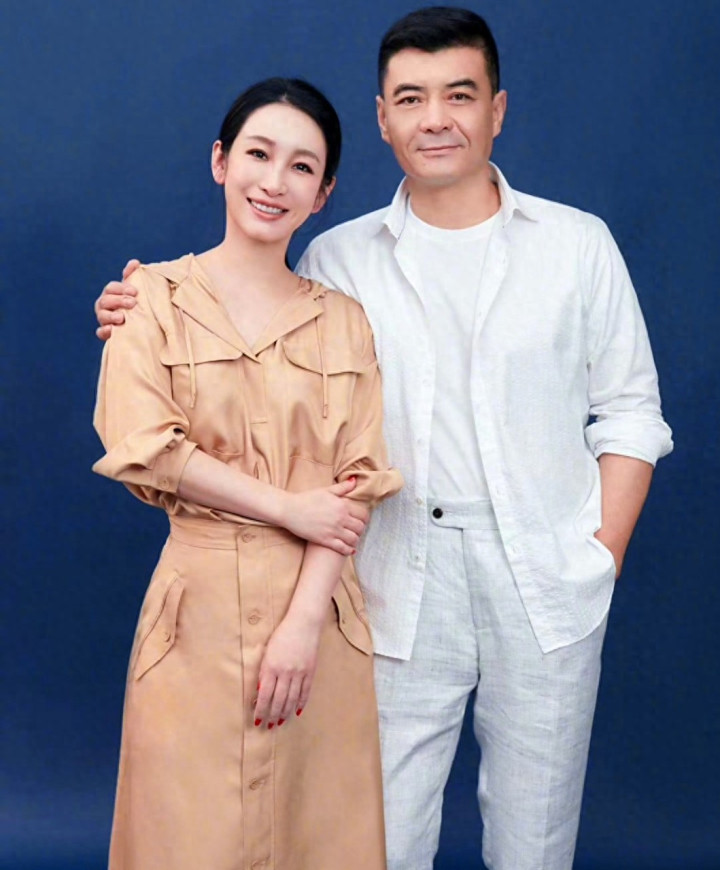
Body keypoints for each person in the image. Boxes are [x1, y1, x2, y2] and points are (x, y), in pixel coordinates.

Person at [96, 8, 673, 870]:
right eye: (411, 98)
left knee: (536, 839)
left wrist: (600, 556)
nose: (435, 118)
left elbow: (630, 412)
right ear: (382, 118)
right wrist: (135, 309)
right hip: (392, 570)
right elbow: (256, 369)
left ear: (497, 109)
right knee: (378, 838)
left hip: (545, 575)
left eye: (459, 95)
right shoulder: (337, 259)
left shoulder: (577, 245)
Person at [92, 77, 402, 870]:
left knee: (318, 837)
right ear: (220, 162)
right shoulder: (148, 299)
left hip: (322, 612)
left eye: (302, 167)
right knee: (185, 837)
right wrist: (287, 507)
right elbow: (145, 444)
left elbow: (357, 482)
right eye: (258, 154)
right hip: (193, 613)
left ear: (323, 193)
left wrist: (303, 622)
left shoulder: (345, 321)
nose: (274, 181)